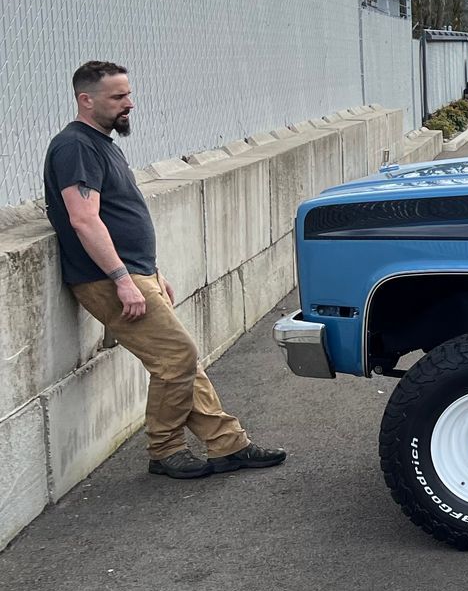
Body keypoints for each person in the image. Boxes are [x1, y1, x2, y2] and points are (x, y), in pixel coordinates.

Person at [43, 61, 286, 480]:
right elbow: (84, 219)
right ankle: (165, 450)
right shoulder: (75, 147)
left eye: (128, 94)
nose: (129, 104)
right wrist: (123, 280)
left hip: (134, 274)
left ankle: (229, 446)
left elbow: (119, 216)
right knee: (177, 359)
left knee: (184, 361)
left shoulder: (100, 143)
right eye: (118, 97)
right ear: (86, 100)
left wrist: (152, 273)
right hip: (107, 278)